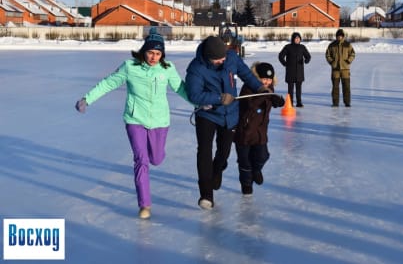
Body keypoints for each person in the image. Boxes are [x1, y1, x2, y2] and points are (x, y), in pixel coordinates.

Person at [74, 28, 189, 219]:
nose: (154, 57)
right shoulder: (130, 67)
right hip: (135, 119)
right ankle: (144, 205)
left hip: (160, 121)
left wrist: (201, 103)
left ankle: (157, 154)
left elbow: (181, 89)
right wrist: (88, 98)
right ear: (144, 51)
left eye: (158, 54)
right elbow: (108, 83)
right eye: (151, 52)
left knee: (156, 159)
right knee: (141, 160)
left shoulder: (167, 68)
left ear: (162, 55)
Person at [185, 36, 270, 210]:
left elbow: (246, 73)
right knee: (204, 152)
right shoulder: (196, 68)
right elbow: (194, 95)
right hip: (207, 114)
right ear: (208, 57)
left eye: (224, 57)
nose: (223, 61)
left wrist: (259, 88)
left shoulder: (230, 57)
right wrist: (219, 98)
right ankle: (206, 195)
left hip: (230, 114)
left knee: (224, 152)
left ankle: (217, 169)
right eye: (218, 59)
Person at [234, 62, 284, 195]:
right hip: (244, 132)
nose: (267, 82)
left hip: (260, 133)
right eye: (264, 79)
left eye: (269, 79)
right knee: (245, 163)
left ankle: (256, 170)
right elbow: (249, 108)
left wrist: (278, 101)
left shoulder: (269, 89)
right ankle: (246, 188)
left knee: (263, 156)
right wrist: (263, 95)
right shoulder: (248, 89)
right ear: (257, 78)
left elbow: (271, 101)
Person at [278, 32, 311, 107]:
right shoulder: (288, 47)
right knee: (290, 89)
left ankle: (299, 102)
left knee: (299, 89)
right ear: (293, 39)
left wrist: (306, 60)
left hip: (299, 71)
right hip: (290, 71)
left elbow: (308, 56)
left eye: (298, 38)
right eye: (296, 38)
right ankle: (290, 103)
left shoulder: (302, 47)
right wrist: (285, 63)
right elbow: (280, 56)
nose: (297, 39)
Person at [325, 28, 356, 107]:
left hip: (345, 69)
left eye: (341, 36)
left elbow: (352, 54)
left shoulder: (347, 44)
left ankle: (347, 102)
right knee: (335, 87)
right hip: (335, 70)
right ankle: (335, 103)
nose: (339, 37)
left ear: (343, 36)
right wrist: (332, 62)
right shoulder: (332, 45)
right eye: (338, 36)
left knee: (346, 87)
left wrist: (348, 61)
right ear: (336, 37)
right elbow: (327, 55)